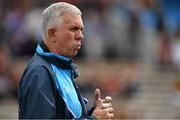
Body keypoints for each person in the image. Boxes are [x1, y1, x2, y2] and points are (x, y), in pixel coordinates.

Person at [18, 2, 114, 119]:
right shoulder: (39, 72)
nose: (80, 36)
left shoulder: (61, 67)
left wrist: (93, 112)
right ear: (52, 33)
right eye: (74, 29)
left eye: (81, 29)